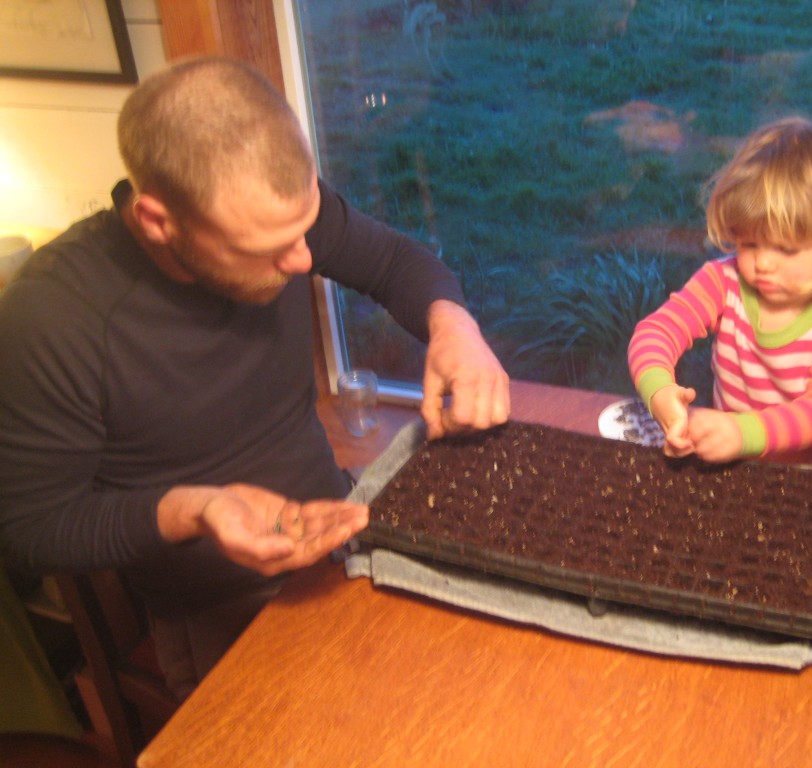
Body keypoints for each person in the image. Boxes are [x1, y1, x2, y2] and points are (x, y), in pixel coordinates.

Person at [0, 56, 509, 698]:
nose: (302, 260)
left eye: (306, 231)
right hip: (216, 605)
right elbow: (29, 529)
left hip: (343, 535)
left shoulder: (274, 212)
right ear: (159, 221)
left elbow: (392, 261)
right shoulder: (52, 319)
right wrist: (196, 508)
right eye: (269, 249)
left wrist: (453, 326)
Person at [628, 116, 812, 463]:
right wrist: (660, 393)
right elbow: (655, 332)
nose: (763, 263)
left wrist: (743, 433)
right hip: (739, 462)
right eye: (750, 243)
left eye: (786, 249)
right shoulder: (723, 280)